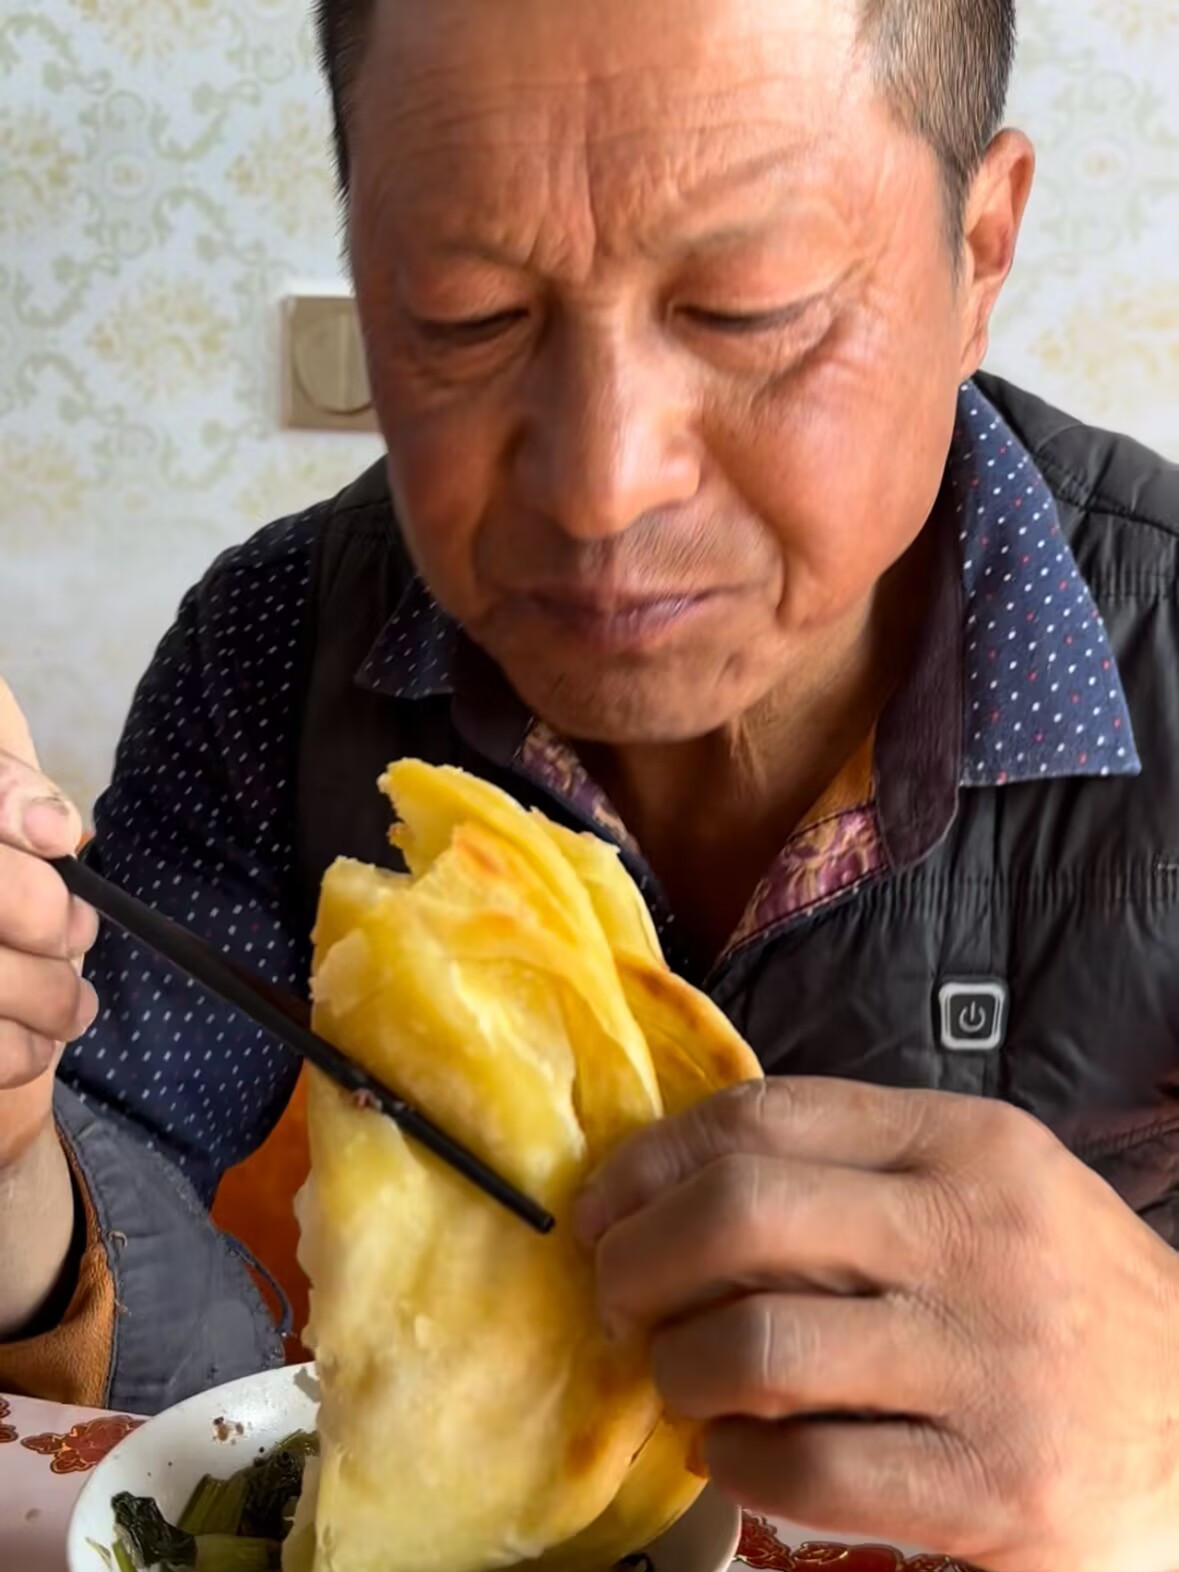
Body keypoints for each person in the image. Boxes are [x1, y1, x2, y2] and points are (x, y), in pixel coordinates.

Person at [2, 0, 1178, 1562]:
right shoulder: (271, 655)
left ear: (980, 253)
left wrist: (1159, 1437)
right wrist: (14, 1155)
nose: (601, 481)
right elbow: (190, 1377)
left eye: (750, 308)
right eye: (468, 317)